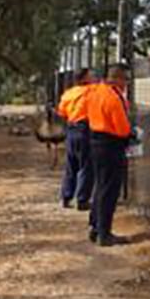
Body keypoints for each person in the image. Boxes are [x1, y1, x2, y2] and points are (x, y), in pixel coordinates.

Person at [85, 63, 135, 246]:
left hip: (96, 140)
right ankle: (104, 234)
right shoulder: (114, 98)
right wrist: (132, 134)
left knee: (101, 185)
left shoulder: (96, 92)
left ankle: (95, 226)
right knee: (110, 190)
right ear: (118, 78)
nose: (126, 84)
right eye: (126, 79)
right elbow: (122, 129)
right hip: (111, 145)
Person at [56, 68, 95, 210]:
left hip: (71, 128)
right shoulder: (90, 92)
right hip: (85, 128)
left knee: (71, 164)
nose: (93, 77)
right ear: (85, 78)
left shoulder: (68, 94)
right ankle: (82, 199)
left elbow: (61, 111)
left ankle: (66, 196)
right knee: (86, 165)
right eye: (91, 75)